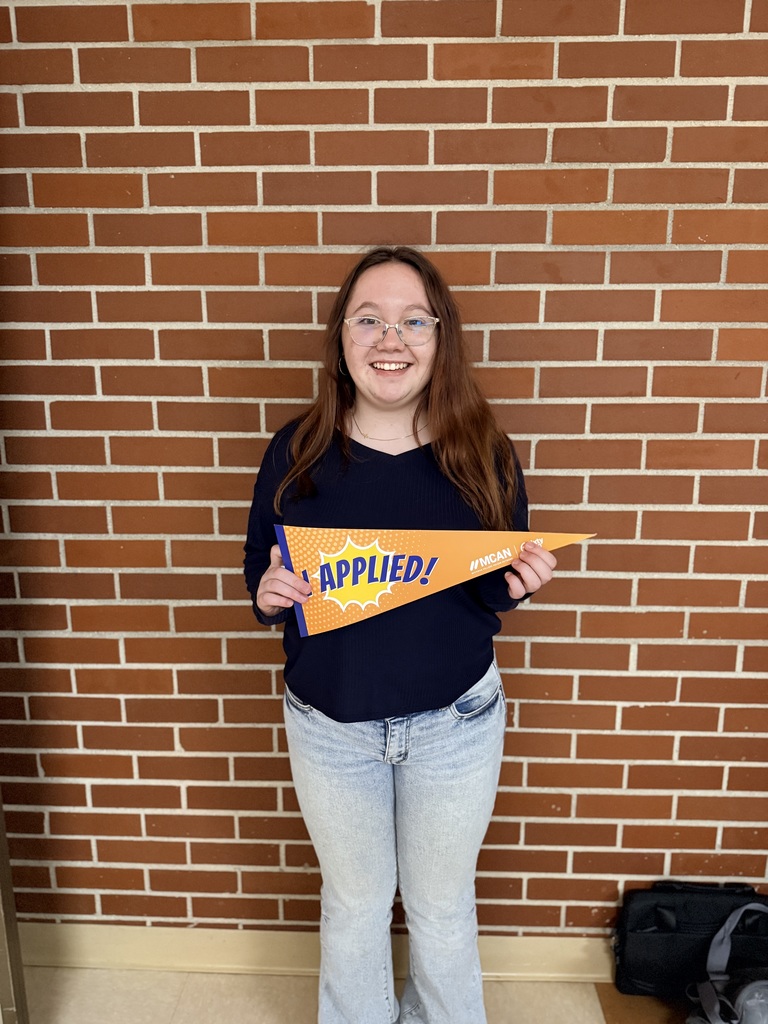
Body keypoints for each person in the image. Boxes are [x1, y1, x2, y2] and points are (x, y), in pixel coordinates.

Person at [243, 246, 556, 1024]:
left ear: (441, 336)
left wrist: (515, 582)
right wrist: (268, 593)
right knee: (353, 905)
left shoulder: (483, 452)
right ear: (341, 339)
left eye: (415, 320)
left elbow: (486, 588)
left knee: (443, 908)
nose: (392, 339)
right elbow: (263, 571)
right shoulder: (296, 451)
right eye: (370, 320)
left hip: (456, 723)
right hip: (329, 728)